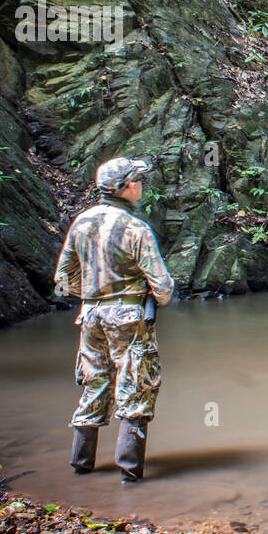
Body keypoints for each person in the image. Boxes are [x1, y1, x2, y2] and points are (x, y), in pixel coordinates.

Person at [54, 157, 173, 482]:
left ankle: (81, 465)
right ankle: (129, 473)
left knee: (95, 383)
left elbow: (63, 279)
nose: (141, 184)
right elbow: (163, 287)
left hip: (90, 315)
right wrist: (141, 296)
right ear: (127, 187)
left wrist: (94, 293)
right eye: (138, 179)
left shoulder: (81, 223)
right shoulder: (136, 229)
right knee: (136, 386)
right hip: (129, 317)